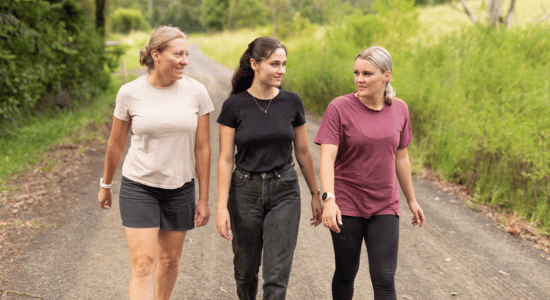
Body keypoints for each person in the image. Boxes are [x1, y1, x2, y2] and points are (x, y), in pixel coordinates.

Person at [97, 26, 214, 300]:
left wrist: (204, 198)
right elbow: (115, 144)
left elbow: (203, 147)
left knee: (170, 261)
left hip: (180, 188)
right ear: (156, 55)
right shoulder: (129, 93)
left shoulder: (197, 93)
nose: (185, 60)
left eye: (186, 54)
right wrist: (105, 184)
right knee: (142, 264)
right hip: (140, 187)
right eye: (178, 54)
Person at [216, 36, 323, 300]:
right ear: (254, 64)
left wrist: (315, 193)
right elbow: (225, 158)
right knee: (245, 272)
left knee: (276, 278)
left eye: (284, 64)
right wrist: (220, 206)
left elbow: (302, 151)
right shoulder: (234, 105)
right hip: (244, 192)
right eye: (275, 64)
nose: (281, 71)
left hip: (284, 191)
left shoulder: (292, 101)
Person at [314, 46, 425, 300]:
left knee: (385, 278)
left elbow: (401, 156)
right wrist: (328, 199)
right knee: (345, 272)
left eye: (367, 74)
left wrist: (411, 200)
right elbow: (327, 157)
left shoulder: (399, 109)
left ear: (386, 76)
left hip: (385, 204)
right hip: (347, 204)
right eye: (356, 73)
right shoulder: (339, 108)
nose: (359, 79)